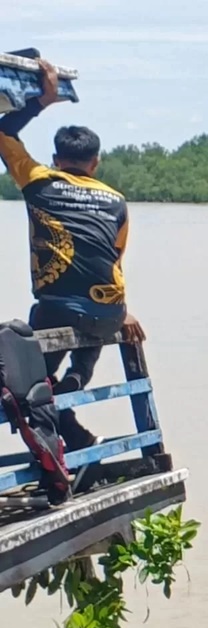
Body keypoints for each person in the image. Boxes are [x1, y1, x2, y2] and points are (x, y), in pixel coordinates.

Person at [0, 59, 145, 452]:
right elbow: (111, 260)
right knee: (94, 317)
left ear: (56, 159)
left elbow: (1, 130)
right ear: (95, 164)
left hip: (56, 309)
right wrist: (123, 308)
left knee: (32, 379)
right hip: (108, 312)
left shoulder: (38, 180)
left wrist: (41, 102)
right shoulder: (116, 200)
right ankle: (76, 382)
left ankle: (59, 411)